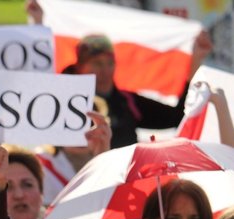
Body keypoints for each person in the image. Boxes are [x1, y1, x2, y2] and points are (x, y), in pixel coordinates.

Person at [26, 0, 212, 148]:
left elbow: (174, 118)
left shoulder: (128, 101)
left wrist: (194, 63)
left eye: (109, 63)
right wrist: (37, 23)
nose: (104, 70)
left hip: (120, 185)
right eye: (96, 64)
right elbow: (36, 88)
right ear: (79, 66)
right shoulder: (63, 98)